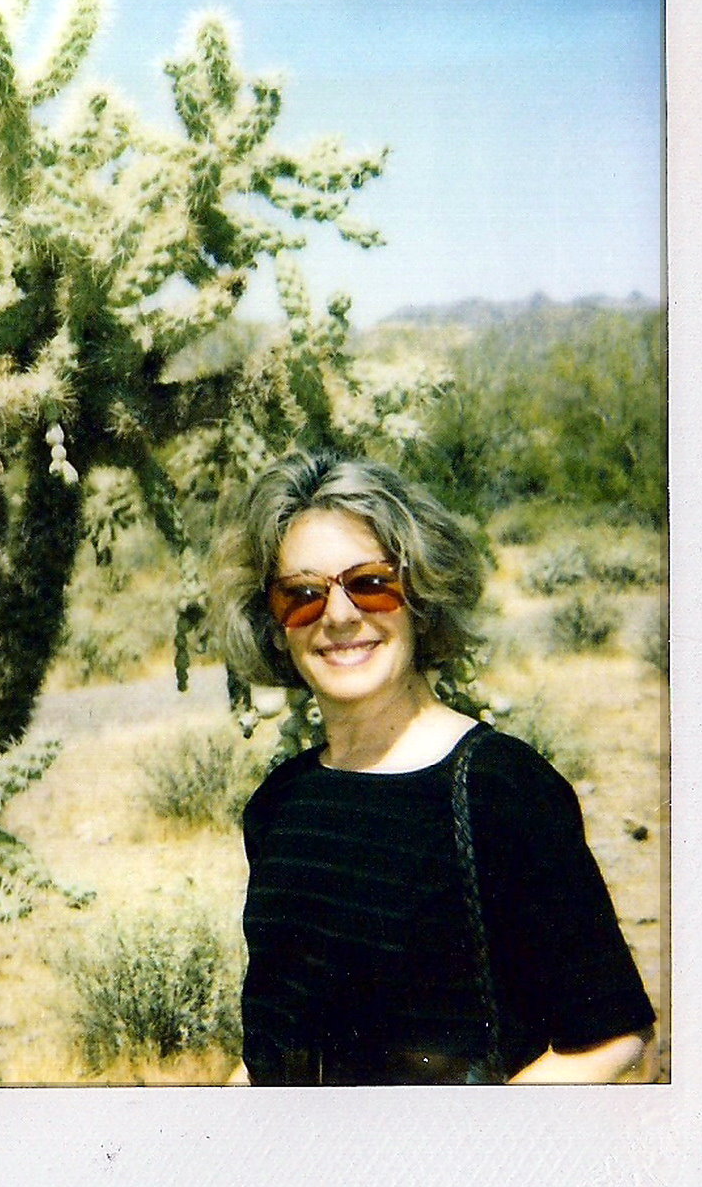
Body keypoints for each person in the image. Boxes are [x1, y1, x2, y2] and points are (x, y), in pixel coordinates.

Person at [217, 451, 654, 1085]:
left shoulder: (500, 789)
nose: (339, 616)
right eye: (304, 594)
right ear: (275, 621)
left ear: (420, 593)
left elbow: (616, 1041)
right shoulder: (281, 807)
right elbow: (271, 1052)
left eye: (369, 582)